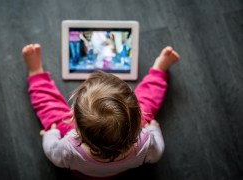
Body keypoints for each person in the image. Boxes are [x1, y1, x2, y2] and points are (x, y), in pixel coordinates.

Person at [22, 43, 180, 179]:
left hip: (84, 175)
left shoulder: (68, 148)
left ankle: (36, 72)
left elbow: (53, 154)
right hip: (120, 172)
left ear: (73, 122)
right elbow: (157, 153)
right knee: (148, 100)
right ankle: (159, 70)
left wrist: (51, 134)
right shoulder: (146, 142)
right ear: (139, 117)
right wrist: (153, 128)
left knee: (52, 112)